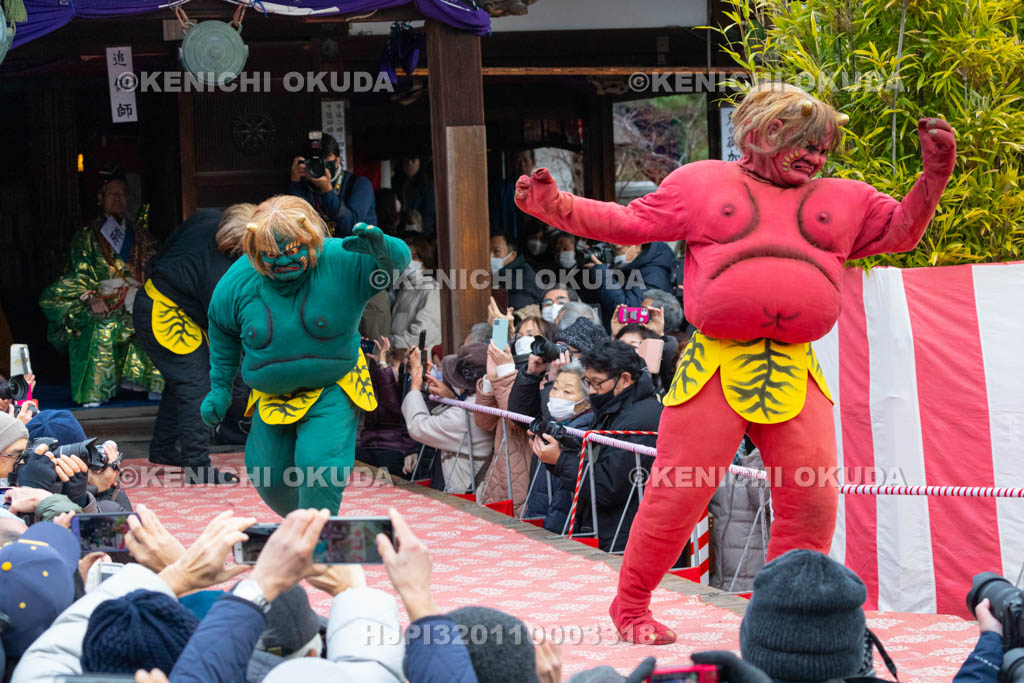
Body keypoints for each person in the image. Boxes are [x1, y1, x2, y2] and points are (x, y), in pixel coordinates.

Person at [515, 81, 957, 643]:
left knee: (811, 497)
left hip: (796, 366)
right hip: (714, 365)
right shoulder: (701, 184)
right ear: (760, 131)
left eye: (822, 147)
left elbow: (901, 233)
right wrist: (555, 206)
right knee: (678, 492)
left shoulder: (848, 197)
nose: (815, 156)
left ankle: (787, 617)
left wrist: (934, 176)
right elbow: (626, 223)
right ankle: (630, 607)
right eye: (803, 141)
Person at [201, 196, 410, 515]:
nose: (283, 260)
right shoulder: (238, 280)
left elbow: (393, 266)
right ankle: (301, 527)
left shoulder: (341, 258)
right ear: (256, 252)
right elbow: (221, 330)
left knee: (319, 465)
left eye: (293, 250)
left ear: (310, 239)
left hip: (334, 384)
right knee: (267, 474)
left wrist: (384, 248)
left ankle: (321, 539)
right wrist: (219, 388)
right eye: (271, 255)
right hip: (271, 393)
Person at [132, 205, 255, 483]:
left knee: (184, 381)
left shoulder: (207, 216)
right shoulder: (219, 271)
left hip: (177, 303)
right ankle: (198, 466)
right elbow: (228, 328)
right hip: (162, 310)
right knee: (197, 385)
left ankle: (162, 448)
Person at [39, 171, 162, 407]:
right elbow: (76, 273)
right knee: (101, 327)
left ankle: (151, 383)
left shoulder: (140, 234)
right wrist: (90, 296)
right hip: (102, 300)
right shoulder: (86, 236)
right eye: (112, 195)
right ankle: (96, 391)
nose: (119, 199)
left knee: (155, 319)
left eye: (123, 195)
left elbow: (156, 266)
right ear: (100, 199)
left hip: (136, 298)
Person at [532, 341, 661, 552]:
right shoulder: (614, 406)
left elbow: (608, 486)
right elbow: (596, 459)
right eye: (588, 382)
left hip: (624, 536)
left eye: (597, 383)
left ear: (625, 379)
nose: (591, 391)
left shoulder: (641, 419)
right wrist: (559, 452)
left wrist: (561, 460)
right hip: (606, 528)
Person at [402, 345, 493, 493]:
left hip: (464, 493)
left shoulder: (464, 415)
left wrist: (415, 386)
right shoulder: (487, 402)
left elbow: (418, 426)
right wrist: (452, 397)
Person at [523, 364, 593, 533]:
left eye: (567, 392)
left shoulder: (584, 432)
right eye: (554, 388)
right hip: (540, 513)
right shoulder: (554, 425)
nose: (557, 396)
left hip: (560, 523)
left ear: (586, 401)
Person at [288, 133, 376, 238]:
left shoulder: (360, 185)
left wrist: (327, 190)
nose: (318, 167)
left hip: (356, 253)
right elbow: (297, 228)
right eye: (314, 162)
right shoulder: (304, 185)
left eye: (324, 162)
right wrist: (295, 182)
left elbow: (352, 229)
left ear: (337, 161)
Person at [356, 337, 420, 479]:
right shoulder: (377, 385)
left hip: (395, 447)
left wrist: (383, 366)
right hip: (369, 445)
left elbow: (394, 407)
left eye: (396, 366)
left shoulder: (409, 387)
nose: (391, 369)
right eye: (390, 364)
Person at [586, 241, 675, 323]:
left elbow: (628, 312)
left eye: (617, 249)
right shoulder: (629, 265)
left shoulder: (654, 273)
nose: (613, 254)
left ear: (637, 246)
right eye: (609, 248)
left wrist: (601, 272)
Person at [390, 234, 442, 351]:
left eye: (414, 257)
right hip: (399, 357)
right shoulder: (403, 288)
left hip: (417, 360)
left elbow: (424, 332)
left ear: (424, 262)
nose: (409, 262)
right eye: (405, 257)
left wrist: (394, 343)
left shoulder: (431, 290)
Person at [490, 149, 536, 240]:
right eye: (518, 160)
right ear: (512, 163)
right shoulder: (500, 189)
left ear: (533, 163)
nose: (522, 164)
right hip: (507, 242)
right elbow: (493, 219)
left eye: (525, 160)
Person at [490, 234, 542, 310]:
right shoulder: (501, 275)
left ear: (512, 255)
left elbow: (514, 312)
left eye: (496, 251)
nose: (490, 256)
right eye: (487, 251)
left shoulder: (523, 279)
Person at [392, 157, 436, 235]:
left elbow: (429, 215)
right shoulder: (394, 182)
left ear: (419, 162)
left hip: (421, 233)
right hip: (398, 231)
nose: (409, 163)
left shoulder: (427, 186)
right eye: (406, 159)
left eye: (413, 160)